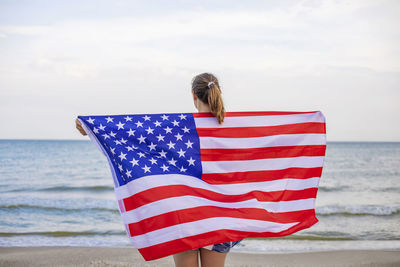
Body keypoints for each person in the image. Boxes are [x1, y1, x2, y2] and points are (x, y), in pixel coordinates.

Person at [75, 72, 243, 267]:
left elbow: (136, 139)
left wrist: (93, 129)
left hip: (185, 215)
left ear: (194, 95)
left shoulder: (179, 128)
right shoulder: (234, 129)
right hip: (219, 219)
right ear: (218, 92)